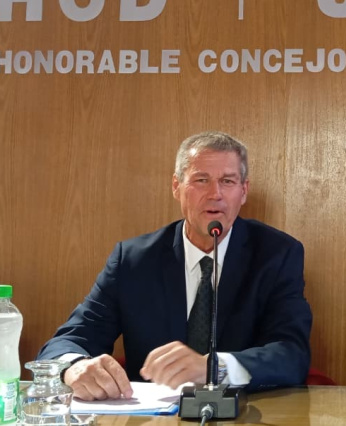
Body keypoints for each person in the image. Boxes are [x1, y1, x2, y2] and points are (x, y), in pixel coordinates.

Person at [37, 131, 312, 400]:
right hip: (153, 417)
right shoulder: (133, 260)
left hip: (244, 414)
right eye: (201, 180)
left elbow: (292, 354)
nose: (215, 194)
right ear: (176, 187)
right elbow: (69, 341)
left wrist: (213, 368)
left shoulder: (277, 255)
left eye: (227, 181)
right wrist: (74, 367)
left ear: (243, 191)